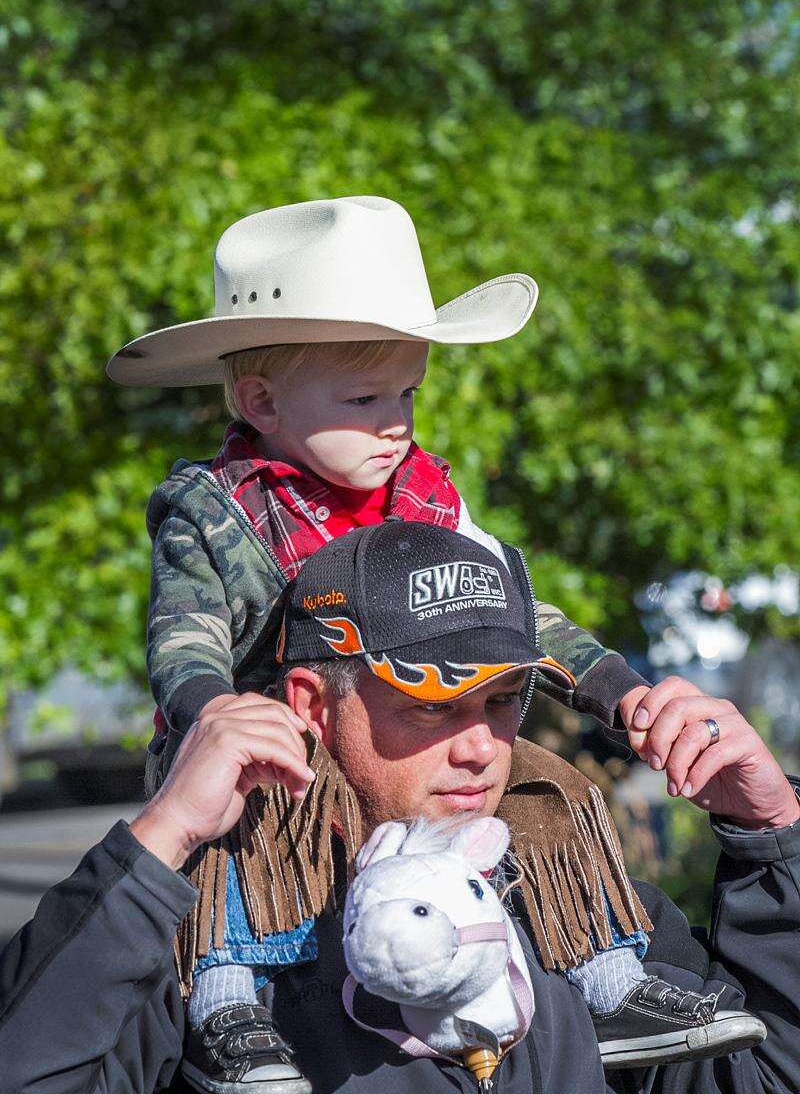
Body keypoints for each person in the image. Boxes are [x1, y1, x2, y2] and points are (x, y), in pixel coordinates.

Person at [106, 195, 764, 1091]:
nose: (397, 421)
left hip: (389, 744)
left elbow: (520, 618)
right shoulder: (216, 512)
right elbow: (184, 637)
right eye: (365, 398)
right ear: (260, 399)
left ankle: (616, 980)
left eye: (408, 393)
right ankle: (229, 1008)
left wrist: (614, 687)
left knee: (549, 790)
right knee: (239, 834)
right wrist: (209, 710)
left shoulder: (424, 500)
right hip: (267, 742)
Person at [1, 521, 798, 1094]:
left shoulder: (574, 909)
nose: (482, 748)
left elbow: (769, 1074)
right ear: (313, 705)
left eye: (501, 703)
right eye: (431, 706)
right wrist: (164, 835)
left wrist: (773, 836)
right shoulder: (207, 945)